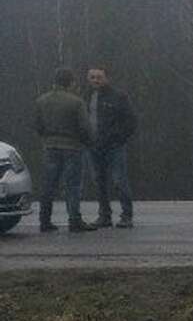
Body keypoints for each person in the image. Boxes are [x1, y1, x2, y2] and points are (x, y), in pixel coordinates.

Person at [33, 68, 96, 233]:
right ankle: (74, 220)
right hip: (72, 147)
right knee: (72, 185)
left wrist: (47, 138)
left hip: (50, 146)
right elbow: (85, 127)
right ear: (70, 82)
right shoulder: (76, 102)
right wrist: (89, 142)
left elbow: (38, 126)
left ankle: (44, 220)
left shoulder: (42, 100)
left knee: (48, 185)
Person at [84, 64, 138, 228]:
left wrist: (119, 138)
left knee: (119, 181)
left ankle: (126, 215)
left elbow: (131, 121)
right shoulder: (86, 96)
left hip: (114, 147)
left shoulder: (118, 96)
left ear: (106, 78)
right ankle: (104, 216)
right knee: (99, 181)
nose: (96, 80)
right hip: (93, 146)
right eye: (92, 77)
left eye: (99, 77)